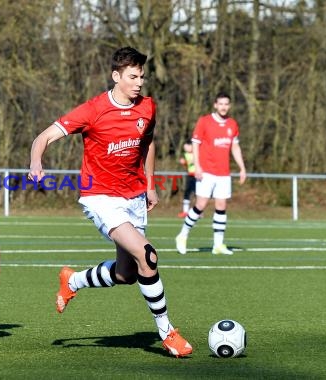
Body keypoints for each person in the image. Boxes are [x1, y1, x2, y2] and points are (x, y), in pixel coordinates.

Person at [29, 47, 192, 358]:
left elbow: (148, 142)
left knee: (126, 274)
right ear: (116, 76)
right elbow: (44, 136)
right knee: (149, 256)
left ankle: (73, 279)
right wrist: (37, 161)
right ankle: (167, 331)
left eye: (142, 76)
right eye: (133, 76)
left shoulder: (147, 107)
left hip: (134, 196)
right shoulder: (92, 110)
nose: (139, 82)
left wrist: (150, 185)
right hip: (100, 197)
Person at [175, 92, 247, 255]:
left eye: (226, 104)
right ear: (215, 105)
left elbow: (235, 147)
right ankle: (183, 235)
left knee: (221, 206)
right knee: (201, 205)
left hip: (224, 173)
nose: (223, 107)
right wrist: (197, 166)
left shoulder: (232, 124)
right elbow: (195, 143)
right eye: (220, 104)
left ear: (229, 106)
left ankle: (218, 245)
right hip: (206, 171)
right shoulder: (204, 121)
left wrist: (242, 167)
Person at [177, 141, 196, 218]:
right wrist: (184, 162)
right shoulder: (185, 155)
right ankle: (185, 211)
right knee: (187, 192)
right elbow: (185, 162)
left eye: (186, 147)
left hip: (198, 176)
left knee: (198, 194)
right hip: (190, 175)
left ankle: (198, 212)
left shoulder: (198, 152)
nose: (185, 149)